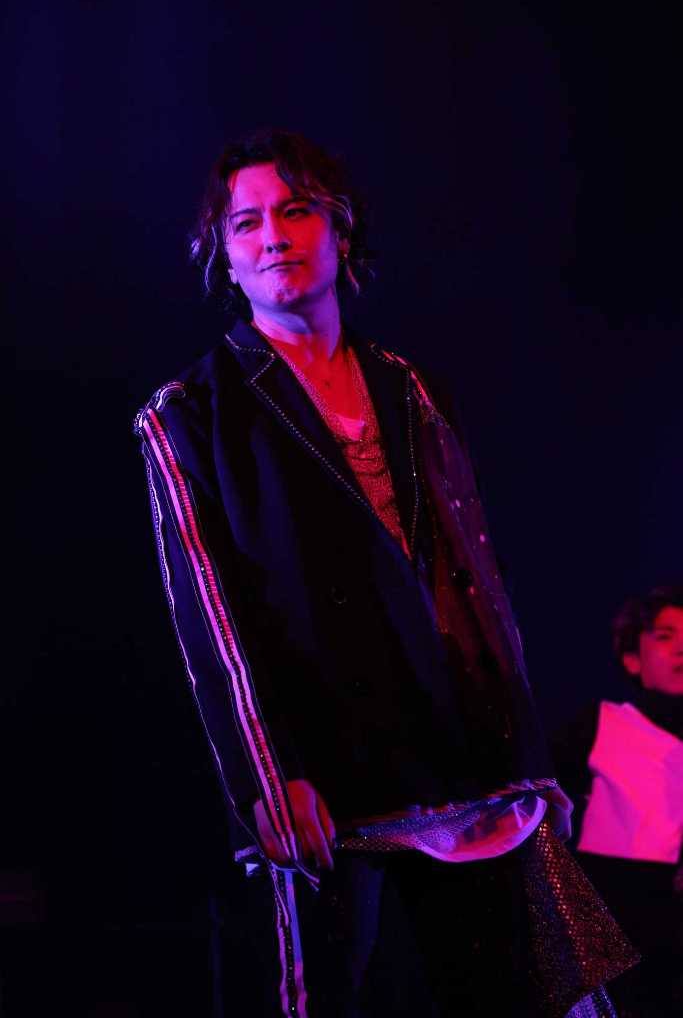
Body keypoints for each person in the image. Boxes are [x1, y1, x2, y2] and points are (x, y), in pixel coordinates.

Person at [134, 130, 634, 1016]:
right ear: (225, 257)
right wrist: (266, 777)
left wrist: (528, 756)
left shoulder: (414, 389)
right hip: (335, 771)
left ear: (340, 230)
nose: (273, 237)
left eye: (295, 211)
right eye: (246, 223)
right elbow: (211, 617)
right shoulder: (189, 413)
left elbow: (481, 580)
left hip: (473, 755)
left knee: (549, 993)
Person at [550, 584, 683, 1017]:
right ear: (632, 659)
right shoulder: (605, 722)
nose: (682, 647)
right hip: (614, 913)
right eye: (665, 636)